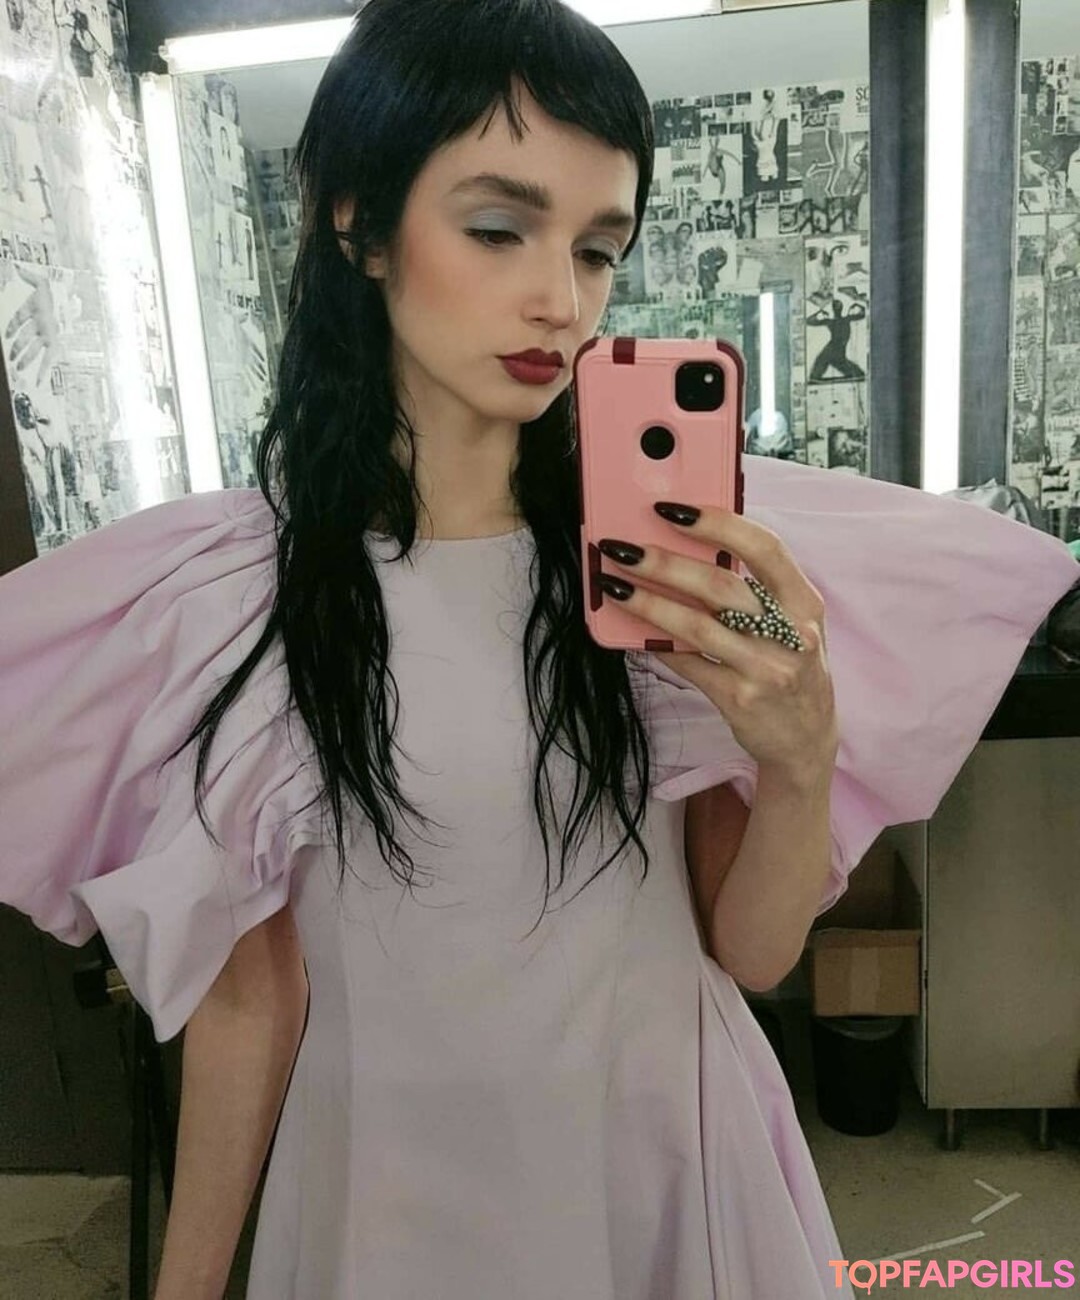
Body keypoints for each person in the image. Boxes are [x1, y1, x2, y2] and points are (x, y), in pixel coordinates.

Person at [1, 3, 1077, 1298]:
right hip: (386, 1187)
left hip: (659, 1152)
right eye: (498, 228)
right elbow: (250, 1000)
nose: (561, 300)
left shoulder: (656, 565)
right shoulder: (234, 596)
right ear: (359, 222)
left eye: (598, 247)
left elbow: (751, 955)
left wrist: (800, 762)